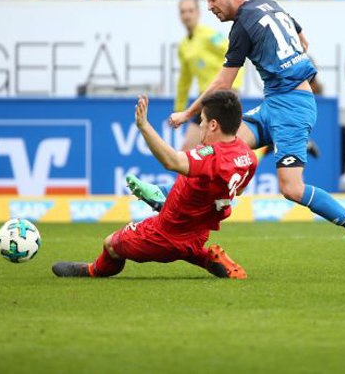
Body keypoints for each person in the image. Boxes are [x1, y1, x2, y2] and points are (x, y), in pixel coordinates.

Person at [166, 0, 345, 273]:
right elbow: (303, 43)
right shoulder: (269, 4)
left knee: (292, 189)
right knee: (222, 146)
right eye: (207, 0)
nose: (211, 7)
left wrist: (187, 114)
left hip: (293, 108)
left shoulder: (242, 26)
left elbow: (223, 84)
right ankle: (174, 198)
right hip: (278, 103)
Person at [52, 91, 257, 279]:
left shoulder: (211, 156)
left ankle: (92, 270)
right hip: (197, 231)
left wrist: (144, 126)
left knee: (111, 244)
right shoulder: (247, 156)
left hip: (165, 235)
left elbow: (172, 161)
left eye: (201, 121)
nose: (200, 126)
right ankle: (208, 258)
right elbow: (235, 190)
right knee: (186, 241)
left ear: (213, 125)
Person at [175, 0, 244, 150]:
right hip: (205, 100)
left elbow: (234, 53)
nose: (187, 15)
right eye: (183, 12)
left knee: (223, 147)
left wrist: (233, 87)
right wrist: (179, 109)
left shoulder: (209, 36)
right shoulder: (183, 46)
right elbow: (184, 80)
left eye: (190, 11)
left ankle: (271, 145)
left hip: (223, 97)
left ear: (198, 13)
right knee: (191, 149)